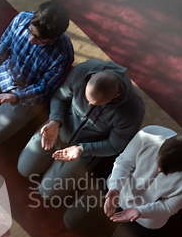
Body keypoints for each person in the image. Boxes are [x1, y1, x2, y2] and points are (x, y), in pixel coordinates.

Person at [18, 59, 144, 201]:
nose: (89, 105)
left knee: (46, 193)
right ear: (91, 77)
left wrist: (82, 149)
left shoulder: (133, 111)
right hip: (60, 126)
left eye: (96, 104)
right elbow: (60, 96)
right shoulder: (83, 71)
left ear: (116, 96)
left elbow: (115, 145)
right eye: (87, 98)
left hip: (86, 148)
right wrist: (54, 120)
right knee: (24, 169)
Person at [0, 1, 74, 144]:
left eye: (40, 40)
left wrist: (15, 97)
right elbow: (5, 45)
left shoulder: (63, 55)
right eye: (31, 32)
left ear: (54, 37)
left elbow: (44, 89)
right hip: (4, 72)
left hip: (26, 93)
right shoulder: (22, 18)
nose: (32, 40)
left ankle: (18, 110)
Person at [103, 125, 182, 237]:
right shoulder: (149, 134)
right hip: (120, 192)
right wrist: (115, 188)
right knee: (73, 222)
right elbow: (124, 162)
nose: (158, 170)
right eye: (160, 163)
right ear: (163, 144)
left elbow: (168, 207)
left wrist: (139, 211)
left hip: (146, 214)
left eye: (166, 171)